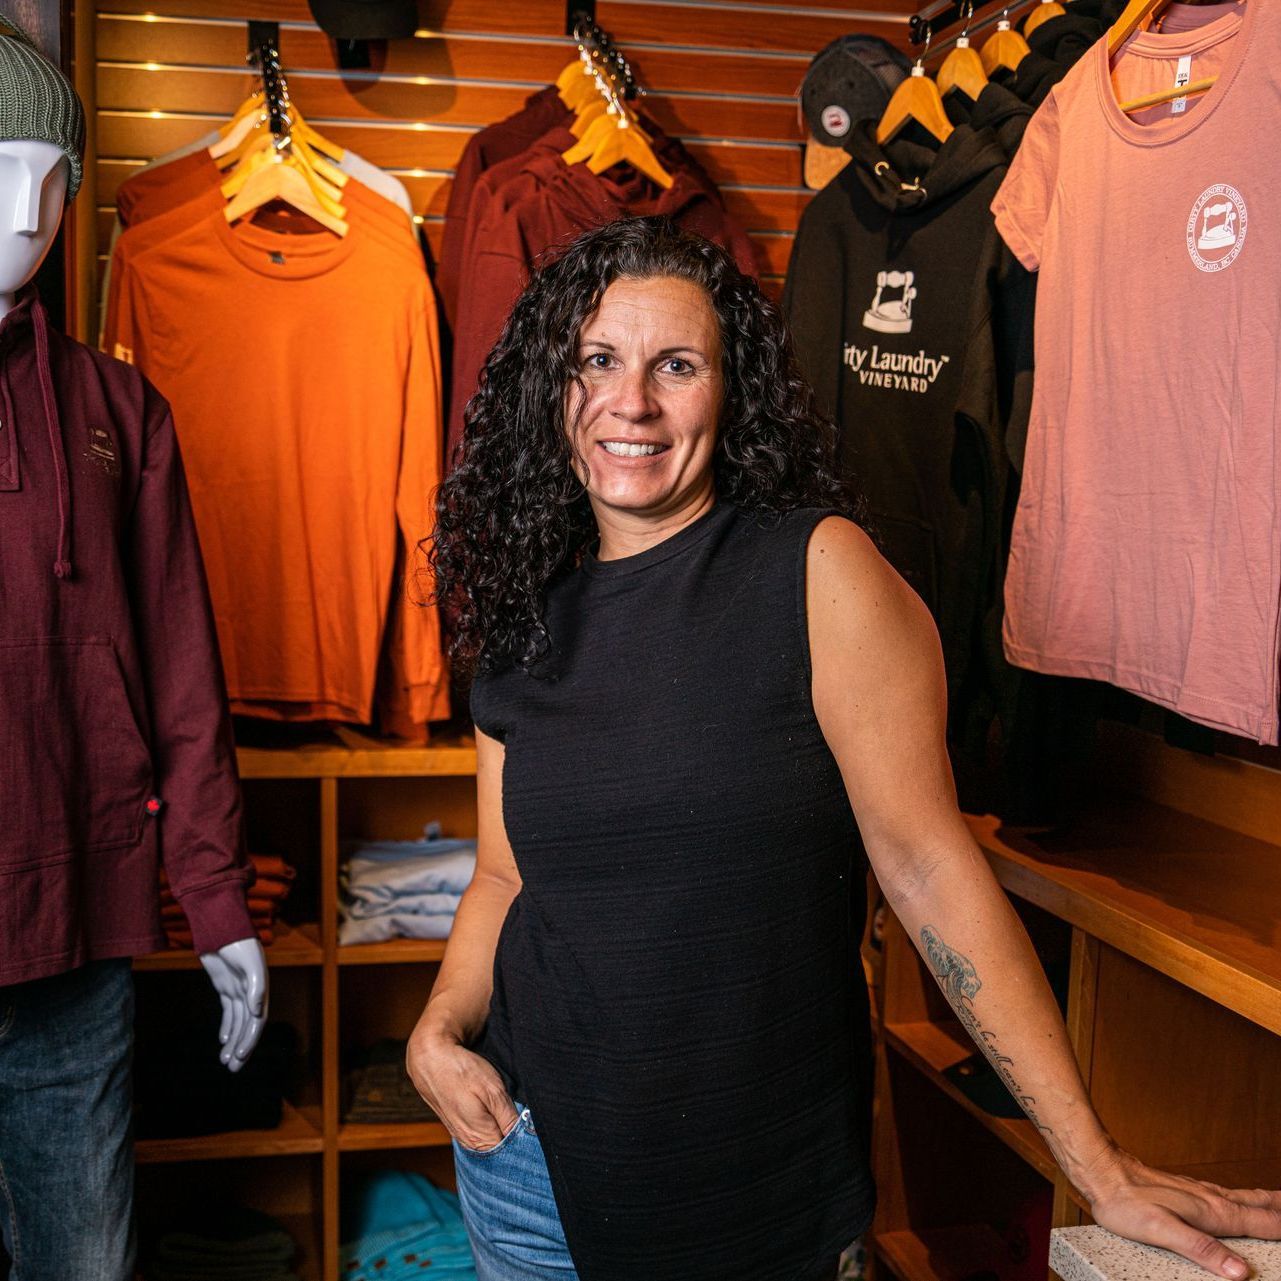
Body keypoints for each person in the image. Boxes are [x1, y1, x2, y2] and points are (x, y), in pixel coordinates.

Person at [406, 217, 1281, 1281]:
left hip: (756, 1192)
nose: (630, 402)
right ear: (554, 383)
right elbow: (504, 874)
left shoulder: (816, 573)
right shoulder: (525, 610)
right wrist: (438, 1029)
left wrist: (1097, 1166)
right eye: (597, 360)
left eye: (675, 365)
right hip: (527, 1170)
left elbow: (928, 870)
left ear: (731, 394)